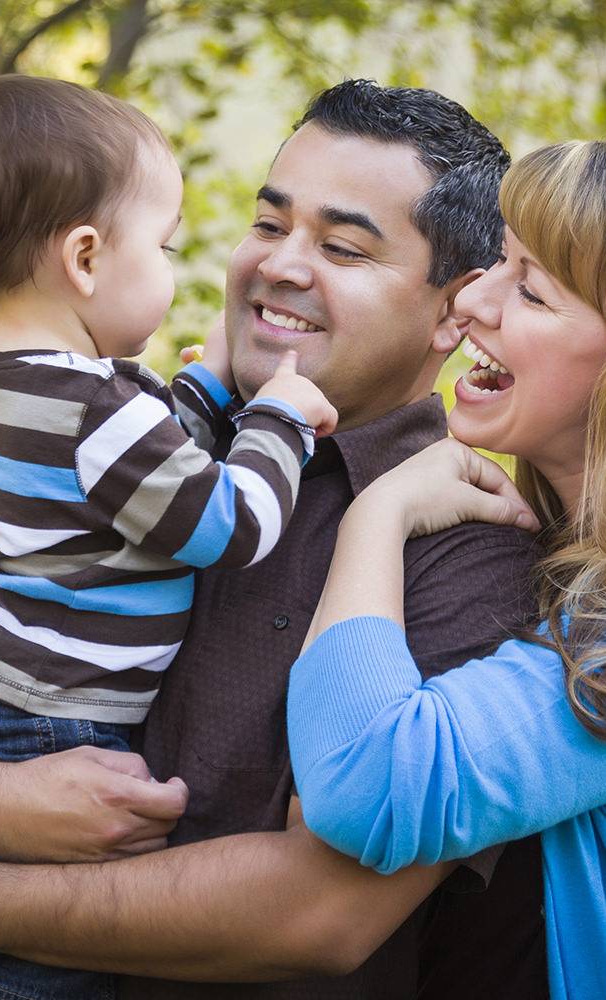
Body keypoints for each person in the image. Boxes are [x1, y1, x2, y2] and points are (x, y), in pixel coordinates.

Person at [0, 81, 547, 999]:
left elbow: (316, 913)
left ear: (454, 311)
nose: (280, 266)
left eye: (341, 247)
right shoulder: (125, 434)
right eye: (268, 223)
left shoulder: (470, 553)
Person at [0, 73, 337, 999]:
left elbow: (122, 480)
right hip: (33, 704)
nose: (178, 268)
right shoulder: (96, 409)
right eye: (167, 247)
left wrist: (208, 392)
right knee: (33, 950)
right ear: (88, 258)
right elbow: (227, 522)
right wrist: (280, 420)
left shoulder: (18, 375)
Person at [287, 139, 606, 1000]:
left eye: (532, 290)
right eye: (498, 263)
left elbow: (364, 788)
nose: (475, 299)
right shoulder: (552, 554)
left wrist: (376, 516)